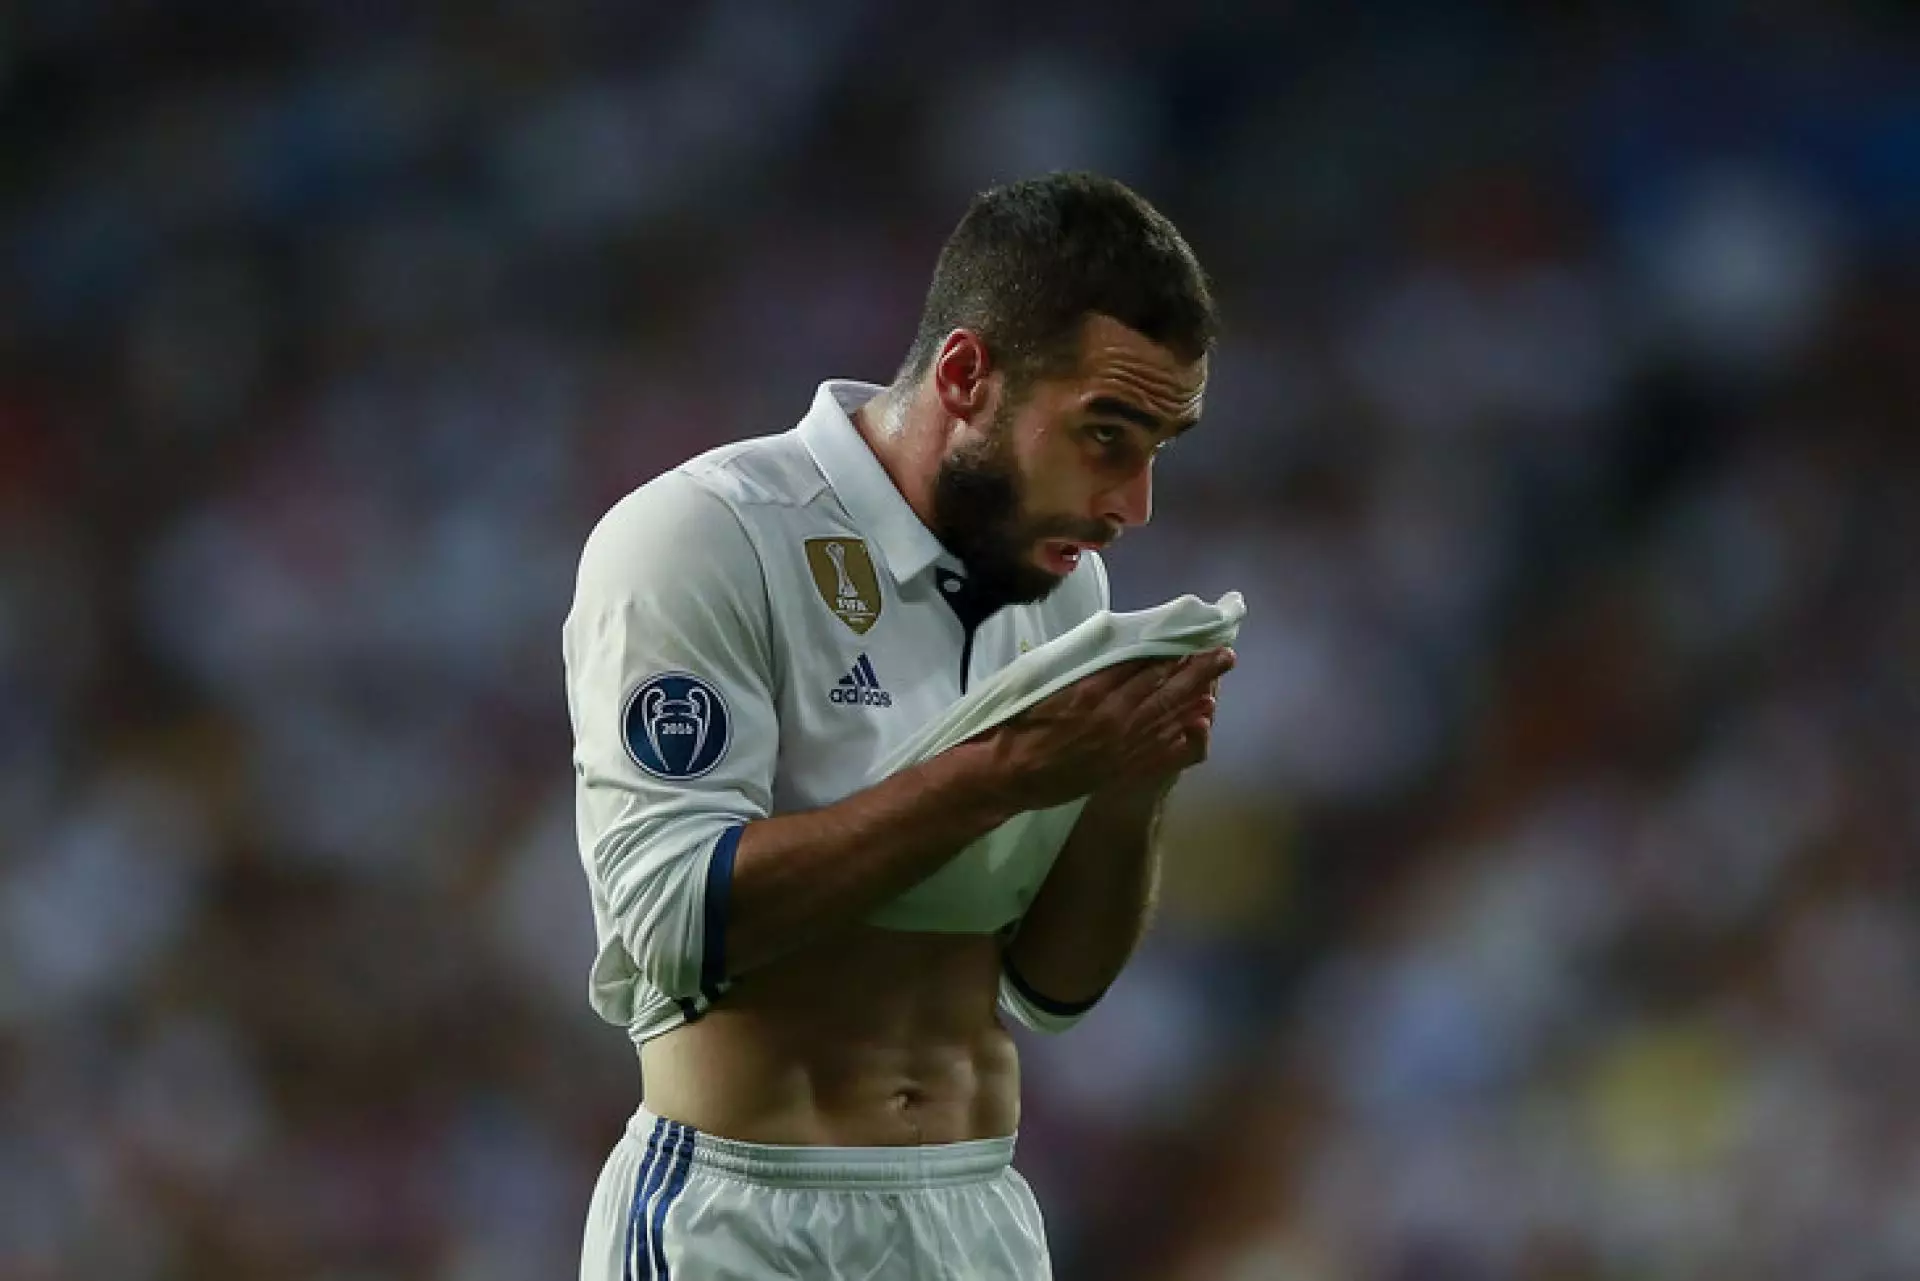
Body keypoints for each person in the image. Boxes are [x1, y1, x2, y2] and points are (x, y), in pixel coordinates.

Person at [564, 171, 1233, 1280]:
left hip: (974, 1213)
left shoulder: (1063, 585)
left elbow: (1053, 989)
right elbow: (676, 921)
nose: (1132, 505)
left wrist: (1130, 781)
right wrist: (1003, 773)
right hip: (743, 1214)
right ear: (966, 375)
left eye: (1159, 446)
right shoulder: (705, 535)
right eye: (1105, 435)